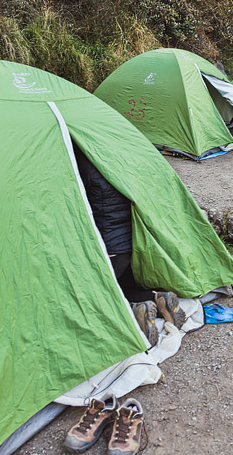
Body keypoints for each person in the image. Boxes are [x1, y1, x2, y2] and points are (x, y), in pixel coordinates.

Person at [73, 143, 185, 347]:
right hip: (135, 245)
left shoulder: (79, 165)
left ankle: (134, 310)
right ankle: (157, 297)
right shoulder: (120, 159)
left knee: (93, 296)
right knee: (122, 284)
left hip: (109, 250)